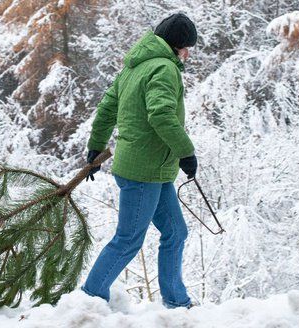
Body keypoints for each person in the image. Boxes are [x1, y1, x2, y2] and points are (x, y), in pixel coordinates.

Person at [81, 13, 198, 309]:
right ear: (179, 46)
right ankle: (88, 301)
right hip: (144, 172)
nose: (188, 55)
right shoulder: (164, 69)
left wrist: (96, 146)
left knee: (175, 232)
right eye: (188, 48)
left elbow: (107, 108)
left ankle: (176, 301)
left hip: (151, 170)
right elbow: (160, 114)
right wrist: (186, 151)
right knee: (129, 239)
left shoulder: (134, 67)